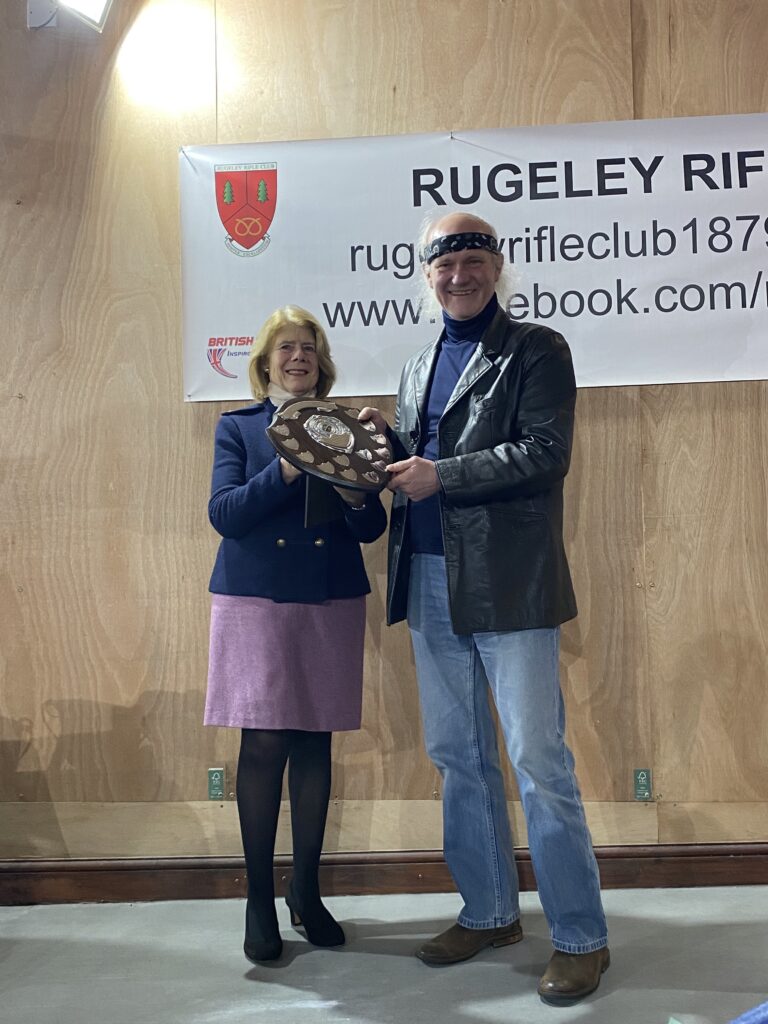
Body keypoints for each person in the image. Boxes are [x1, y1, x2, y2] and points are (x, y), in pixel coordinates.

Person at [360, 212, 609, 1005]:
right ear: (426, 273)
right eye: (444, 261)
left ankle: (580, 938)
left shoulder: (538, 349)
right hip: (428, 576)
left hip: (508, 581)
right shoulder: (415, 362)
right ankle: (490, 910)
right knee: (456, 756)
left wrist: (444, 474)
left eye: (473, 258)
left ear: (496, 266)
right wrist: (379, 441)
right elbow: (416, 449)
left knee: (539, 760)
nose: (459, 273)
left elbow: (545, 451)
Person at [204, 305, 386, 964]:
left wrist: (355, 492)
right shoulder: (239, 427)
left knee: (315, 742)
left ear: (322, 361)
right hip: (256, 598)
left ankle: (305, 893)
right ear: (264, 360)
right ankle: (258, 899)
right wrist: (285, 466)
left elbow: (370, 532)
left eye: (308, 348)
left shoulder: (348, 430)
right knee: (264, 741)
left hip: (330, 595)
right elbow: (225, 514)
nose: (298, 357)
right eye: (285, 348)